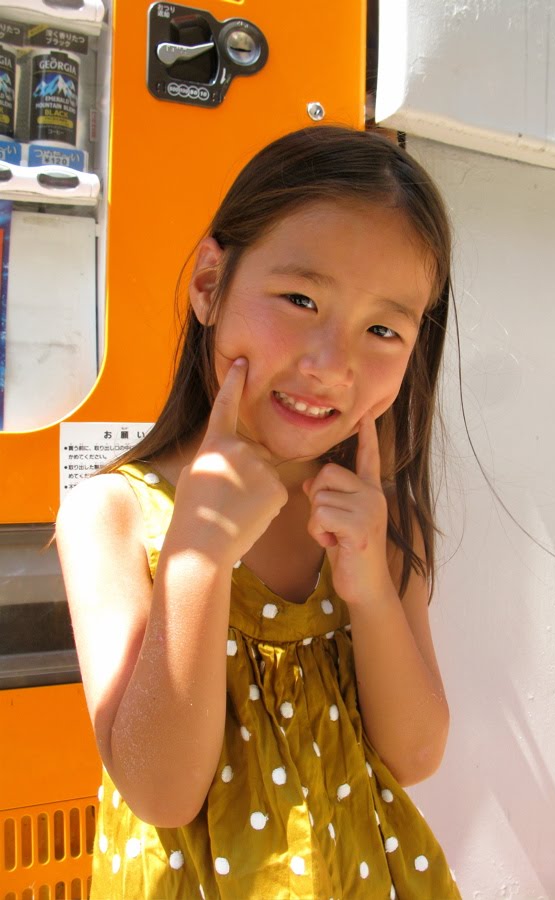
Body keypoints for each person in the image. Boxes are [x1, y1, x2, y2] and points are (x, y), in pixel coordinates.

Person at [56, 125, 463, 899]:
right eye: (301, 299)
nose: (331, 364)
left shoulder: (378, 521)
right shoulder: (111, 515)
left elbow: (414, 755)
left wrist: (370, 588)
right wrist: (199, 554)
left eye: (382, 329)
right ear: (210, 282)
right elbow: (161, 793)